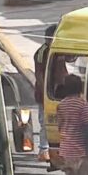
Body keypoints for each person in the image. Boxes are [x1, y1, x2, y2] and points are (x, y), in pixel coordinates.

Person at [34, 24, 57, 162]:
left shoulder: (57, 49)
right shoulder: (42, 52)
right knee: (45, 122)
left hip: (57, 92)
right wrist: (45, 94)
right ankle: (43, 150)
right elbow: (39, 75)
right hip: (46, 94)